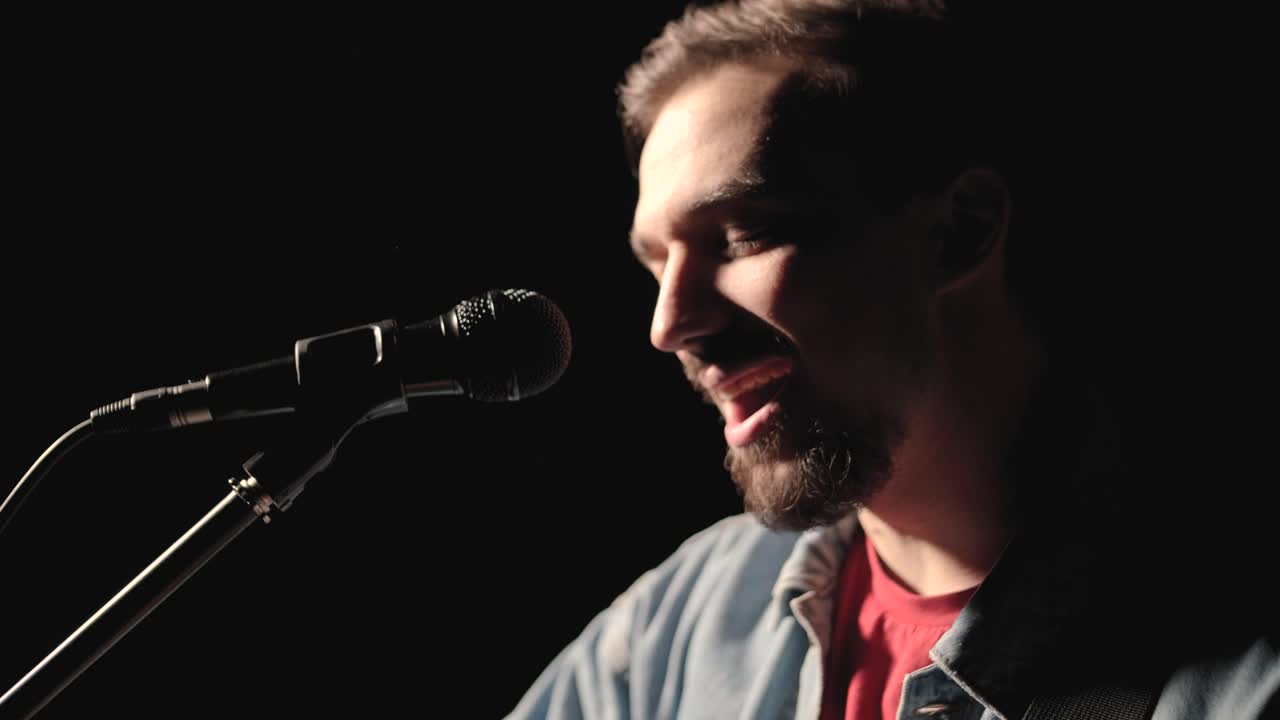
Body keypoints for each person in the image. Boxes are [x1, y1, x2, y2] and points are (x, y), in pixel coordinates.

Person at [508, 1, 1278, 718]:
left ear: (959, 231)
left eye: (740, 236)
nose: (670, 324)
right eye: (655, 265)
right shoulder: (682, 621)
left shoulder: (1238, 660)